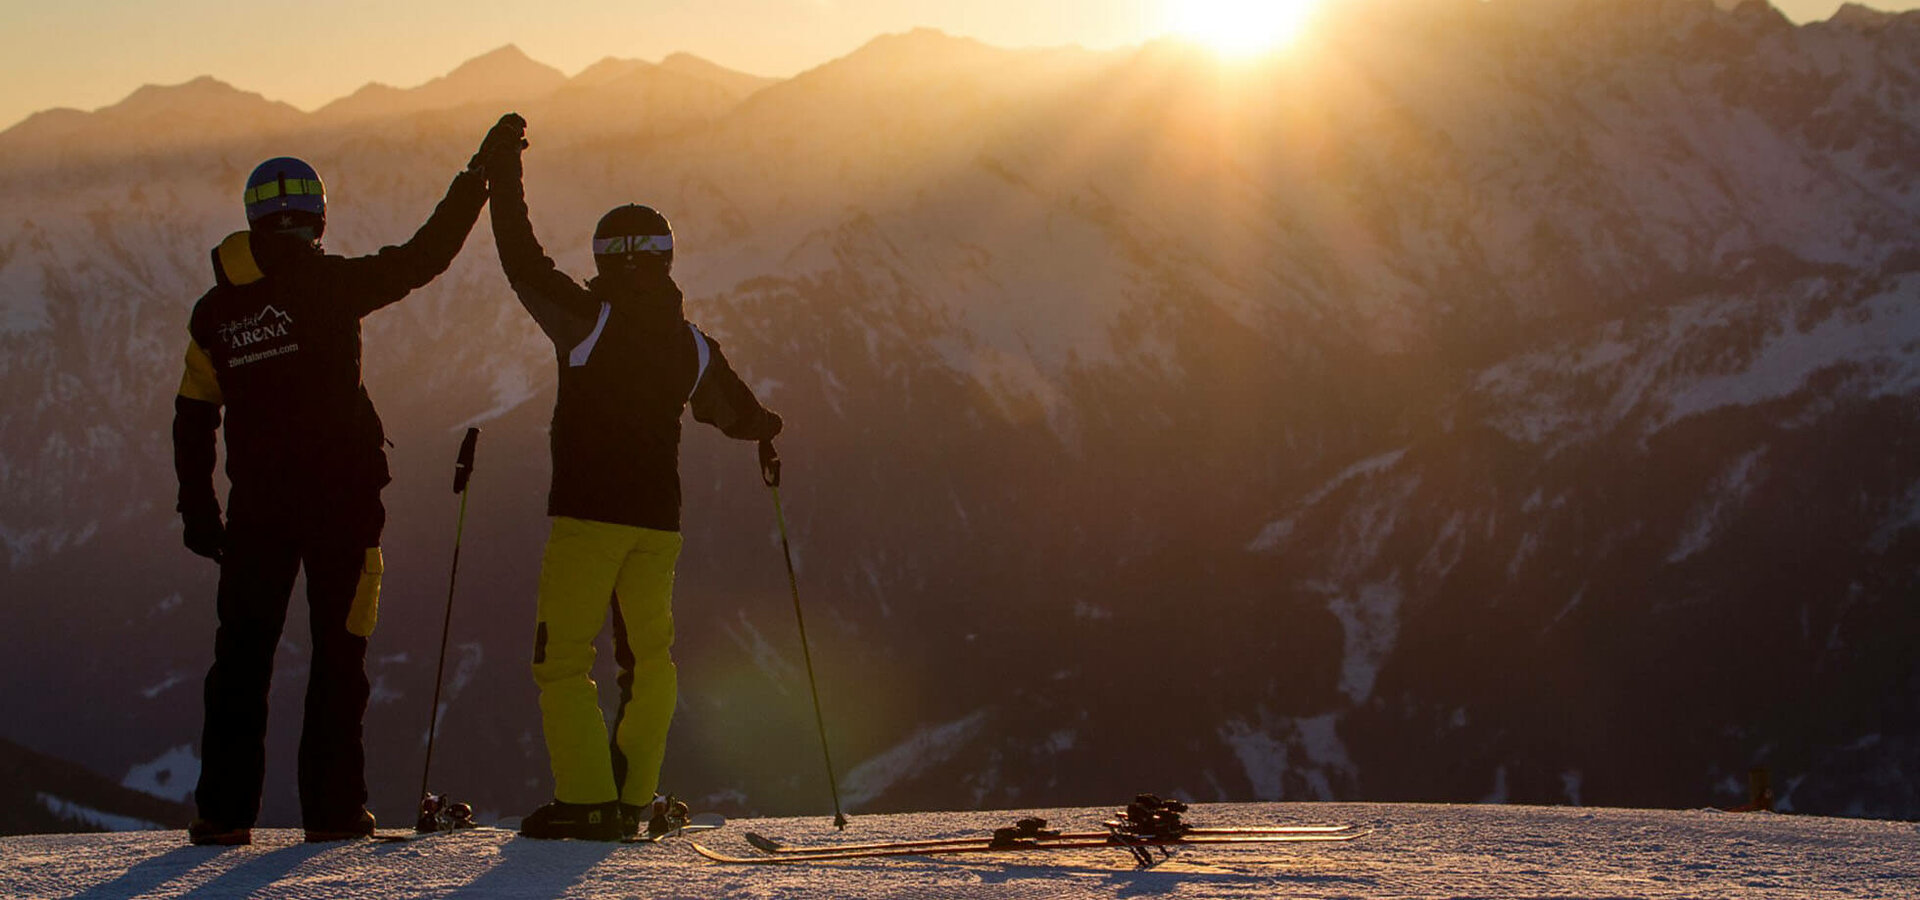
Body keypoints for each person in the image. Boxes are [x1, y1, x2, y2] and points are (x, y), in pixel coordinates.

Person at [173, 120, 519, 845]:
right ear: (318, 217)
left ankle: (222, 814)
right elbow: (423, 258)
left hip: (256, 514)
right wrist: (475, 180)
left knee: (239, 659)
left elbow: (193, 415)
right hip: (344, 505)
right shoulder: (332, 285)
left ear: (253, 217)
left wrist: (200, 509)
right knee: (341, 654)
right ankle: (332, 812)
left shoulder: (214, 313)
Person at [478, 113, 784, 841]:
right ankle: (635, 797)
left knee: (563, 662)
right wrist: (768, 433)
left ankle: (585, 801)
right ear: (666, 260)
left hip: (587, 518)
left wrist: (503, 175)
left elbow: (522, 262)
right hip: (660, 525)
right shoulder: (690, 345)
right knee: (650, 658)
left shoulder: (588, 321)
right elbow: (738, 413)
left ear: (606, 259)